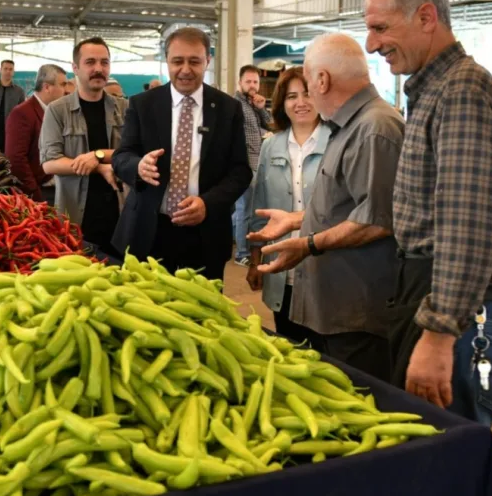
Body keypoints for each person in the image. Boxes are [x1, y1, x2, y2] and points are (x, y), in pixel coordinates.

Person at [363, 0, 492, 423]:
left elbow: (467, 225)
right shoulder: (434, 91)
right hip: (450, 298)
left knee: (441, 450)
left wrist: (438, 335)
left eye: (380, 27)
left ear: (425, 17)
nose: (371, 44)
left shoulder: (461, 91)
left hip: (466, 313)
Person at [249, 35, 404, 381]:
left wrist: (308, 243)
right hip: (333, 308)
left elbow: (378, 220)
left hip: (356, 312)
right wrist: (299, 218)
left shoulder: (373, 129)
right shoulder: (350, 126)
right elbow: (349, 204)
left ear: (322, 80)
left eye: (308, 80)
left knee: (362, 401)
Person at [112, 27, 252, 281]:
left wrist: (208, 203)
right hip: (149, 233)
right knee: (145, 313)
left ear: (207, 61)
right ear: (167, 61)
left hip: (205, 236)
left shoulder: (227, 108)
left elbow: (240, 171)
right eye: (177, 61)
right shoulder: (143, 104)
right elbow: (122, 156)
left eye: (194, 61)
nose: (185, 69)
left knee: (202, 316)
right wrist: (138, 167)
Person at [246, 67, 330, 343]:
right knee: (288, 345)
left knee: (325, 353)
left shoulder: (338, 141)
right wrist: (255, 260)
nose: (301, 102)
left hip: (324, 267)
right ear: (282, 103)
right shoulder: (272, 146)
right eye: (292, 96)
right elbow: (260, 207)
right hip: (281, 268)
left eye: (307, 94)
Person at [41, 38, 124, 253]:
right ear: (75, 68)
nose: (98, 69)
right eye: (90, 62)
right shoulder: (57, 110)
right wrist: (99, 166)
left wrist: (98, 155)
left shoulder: (125, 108)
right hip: (75, 219)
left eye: (104, 62)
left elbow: (137, 153)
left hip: (120, 214)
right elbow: (50, 163)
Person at [7, 64, 67, 203]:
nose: (66, 90)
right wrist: (35, 195)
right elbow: (16, 159)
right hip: (40, 191)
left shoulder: (55, 112)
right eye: (62, 84)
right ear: (47, 87)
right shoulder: (22, 113)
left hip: (57, 187)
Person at [232, 64, 273, 267]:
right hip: (243, 164)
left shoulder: (252, 104)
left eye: (255, 81)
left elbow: (270, 124)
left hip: (256, 161)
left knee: (244, 209)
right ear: (240, 83)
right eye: (248, 81)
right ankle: (241, 253)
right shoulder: (234, 105)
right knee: (244, 210)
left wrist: (261, 109)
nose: (252, 85)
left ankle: (237, 242)